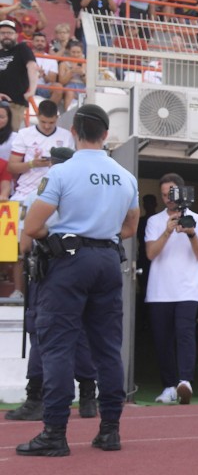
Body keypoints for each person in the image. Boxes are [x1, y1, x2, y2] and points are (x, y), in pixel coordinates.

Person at [15, 104, 139, 457]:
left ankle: (54, 433)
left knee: (57, 346)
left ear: (74, 132)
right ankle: (110, 430)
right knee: (106, 348)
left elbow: (33, 227)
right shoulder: (125, 176)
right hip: (107, 260)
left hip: (68, 263)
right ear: (104, 134)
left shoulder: (62, 173)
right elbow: (130, 228)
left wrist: (62, 237)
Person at [5, 147, 95, 422]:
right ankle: (89, 396)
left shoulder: (44, 189)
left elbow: (26, 241)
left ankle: (36, 398)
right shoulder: (86, 191)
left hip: (48, 271)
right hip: (84, 266)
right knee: (79, 332)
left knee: (41, 335)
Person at [145, 173, 198, 405]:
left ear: (182, 192)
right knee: (162, 340)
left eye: (171, 194)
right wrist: (167, 231)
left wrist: (190, 233)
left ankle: (185, 382)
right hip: (159, 291)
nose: (167, 199)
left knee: (185, 336)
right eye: (164, 195)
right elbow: (151, 254)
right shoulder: (154, 221)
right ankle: (169, 386)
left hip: (187, 290)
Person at [8, 100, 74, 299]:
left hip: (55, 197)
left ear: (57, 119)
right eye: (44, 122)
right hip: (26, 195)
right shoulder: (24, 134)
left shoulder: (66, 137)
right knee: (22, 247)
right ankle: (19, 290)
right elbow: (12, 167)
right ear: (38, 118)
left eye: (51, 122)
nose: (47, 126)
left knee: (57, 245)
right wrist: (32, 164)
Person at [0, 20, 38, 126]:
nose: (6, 36)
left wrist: (32, 90)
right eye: (3, 33)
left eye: (9, 33)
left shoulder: (22, 48)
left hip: (15, 103)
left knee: (11, 135)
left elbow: (32, 66)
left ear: (16, 35)